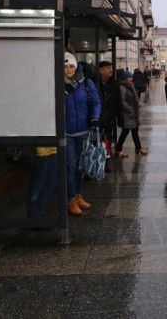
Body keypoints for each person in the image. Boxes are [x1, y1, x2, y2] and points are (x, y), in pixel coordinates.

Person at [64, 52, 101, 216]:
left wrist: (94, 118)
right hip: (67, 133)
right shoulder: (57, 84)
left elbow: (96, 102)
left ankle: (78, 195)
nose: (68, 69)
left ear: (76, 66)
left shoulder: (86, 83)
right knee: (71, 166)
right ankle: (71, 199)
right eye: (65, 66)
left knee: (80, 167)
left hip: (84, 131)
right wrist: (64, 91)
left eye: (71, 66)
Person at [115, 70, 148, 157]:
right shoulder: (123, 87)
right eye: (129, 77)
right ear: (125, 78)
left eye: (131, 77)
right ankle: (118, 150)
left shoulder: (130, 85)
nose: (131, 78)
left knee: (135, 132)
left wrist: (138, 105)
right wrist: (130, 110)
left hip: (133, 114)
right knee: (125, 132)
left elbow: (135, 97)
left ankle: (138, 148)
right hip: (127, 115)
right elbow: (122, 101)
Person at [27, 146, 58, 220]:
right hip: (40, 149)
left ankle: (41, 215)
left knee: (50, 182)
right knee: (38, 184)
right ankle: (34, 218)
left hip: (52, 148)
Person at [98, 60, 118, 153]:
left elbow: (118, 102)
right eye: (108, 68)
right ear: (101, 70)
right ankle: (98, 163)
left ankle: (106, 161)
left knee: (107, 142)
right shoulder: (95, 83)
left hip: (109, 119)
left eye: (111, 68)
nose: (111, 70)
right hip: (98, 119)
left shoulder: (114, 83)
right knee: (98, 142)